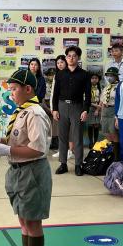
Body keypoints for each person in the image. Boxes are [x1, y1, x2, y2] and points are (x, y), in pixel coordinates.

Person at [0, 69, 51, 246]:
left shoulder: (34, 113)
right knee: (24, 221)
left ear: (28, 89)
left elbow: (37, 149)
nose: (11, 93)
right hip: (18, 171)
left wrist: (9, 150)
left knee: (32, 222)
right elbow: (18, 141)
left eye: (14, 89)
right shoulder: (21, 112)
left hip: (32, 171)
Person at [52, 46, 91, 176]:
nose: (71, 58)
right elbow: (55, 94)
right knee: (62, 136)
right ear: (66, 57)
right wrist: (55, 109)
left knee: (77, 137)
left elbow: (88, 95)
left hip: (77, 107)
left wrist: (85, 110)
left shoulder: (84, 74)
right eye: (69, 56)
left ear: (78, 58)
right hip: (62, 106)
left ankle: (78, 165)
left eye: (74, 56)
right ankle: (63, 164)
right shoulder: (60, 74)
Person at [48, 56, 75, 160]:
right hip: (58, 105)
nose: (60, 64)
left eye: (62, 62)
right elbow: (53, 93)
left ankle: (70, 151)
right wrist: (53, 107)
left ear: (66, 62)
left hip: (70, 105)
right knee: (61, 130)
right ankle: (62, 150)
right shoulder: (57, 75)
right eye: (58, 63)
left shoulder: (71, 73)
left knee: (70, 129)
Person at [99, 67, 120, 158]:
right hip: (105, 110)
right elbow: (102, 101)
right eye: (108, 75)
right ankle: (111, 153)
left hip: (113, 110)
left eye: (111, 75)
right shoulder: (106, 87)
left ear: (116, 76)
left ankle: (116, 156)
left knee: (114, 132)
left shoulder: (119, 86)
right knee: (106, 132)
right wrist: (101, 115)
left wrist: (117, 116)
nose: (109, 77)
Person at [87, 73, 102, 149]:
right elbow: (86, 99)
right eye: (92, 78)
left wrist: (98, 109)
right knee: (90, 125)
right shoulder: (87, 88)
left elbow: (102, 99)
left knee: (96, 125)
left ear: (98, 80)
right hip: (90, 107)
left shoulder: (100, 88)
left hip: (98, 108)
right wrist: (96, 106)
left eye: (96, 78)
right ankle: (90, 142)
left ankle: (95, 142)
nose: (94, 80)